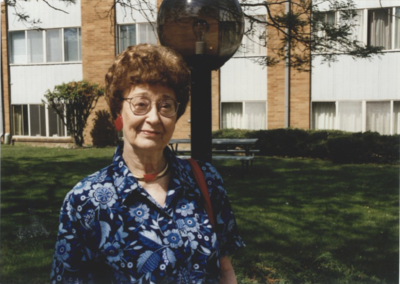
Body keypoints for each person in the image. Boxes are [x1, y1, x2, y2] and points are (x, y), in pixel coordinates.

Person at [50, 44, 245, 284]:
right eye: (141, 103)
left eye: (166, 105)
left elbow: (224, 269)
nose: (153, 117)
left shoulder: (205, 179)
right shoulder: (84, 201)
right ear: (118, 112)